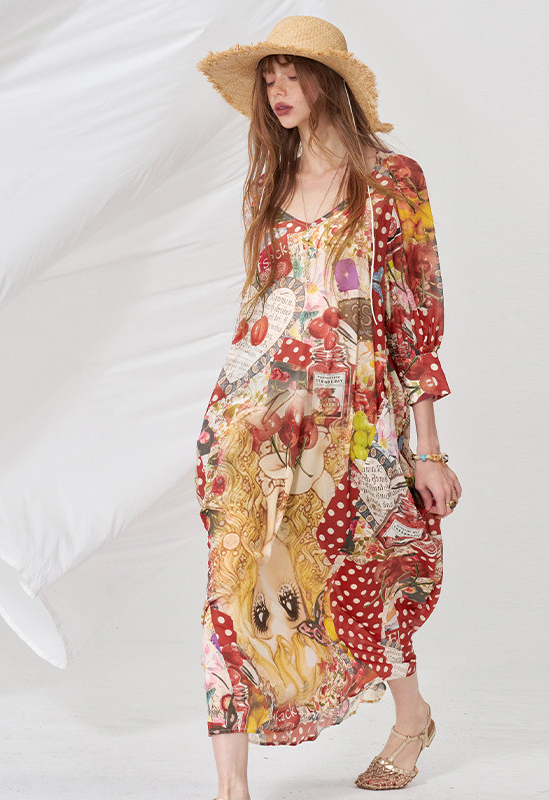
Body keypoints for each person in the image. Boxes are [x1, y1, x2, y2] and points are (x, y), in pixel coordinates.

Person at [194, 15, 462, 800]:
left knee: (366, 577)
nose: (278, 90)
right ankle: (231, 787)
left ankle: (411, 719)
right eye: (269, 78)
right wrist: (225, 422)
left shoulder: (392, 181)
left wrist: (428, 450)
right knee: (234, 582)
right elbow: (259, 317)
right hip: (252, 421)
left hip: (352, 427)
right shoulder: (271, 188)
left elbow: (411, 318)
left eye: (292, 74)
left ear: (328, 82)